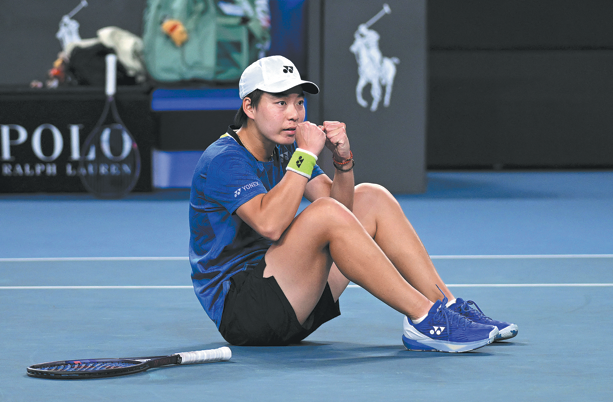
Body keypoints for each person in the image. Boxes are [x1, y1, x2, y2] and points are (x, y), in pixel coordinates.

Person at [189, 55, 517, 352]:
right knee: (324, 214)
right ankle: (424, 318)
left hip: (293, 297)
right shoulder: (223, 160)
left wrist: (342, 161)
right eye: (281, 103)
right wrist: (305, 154)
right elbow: (270, 225)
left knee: (372, 197)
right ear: (249, 107)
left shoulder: (284, 148)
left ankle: (446, 304)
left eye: (299, 102)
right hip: (245, 312)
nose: (294, 114)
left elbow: (342, 211)